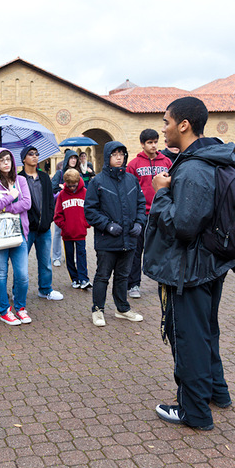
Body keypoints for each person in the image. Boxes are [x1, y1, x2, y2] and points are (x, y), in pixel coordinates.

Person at [145, 96, 235, 431]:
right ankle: (217, 392)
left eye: (166, 122)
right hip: (210, 265)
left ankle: (195, 411)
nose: (164, 129)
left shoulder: (193, 168)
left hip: (190, 270)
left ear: (183, 124)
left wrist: (160, 193)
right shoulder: (211, 159)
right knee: (205, 333)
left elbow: (184, 227)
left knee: (188, 337)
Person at [84, 142, 146, 327]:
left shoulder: (131, 180)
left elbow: (141, 204)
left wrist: (139, 223)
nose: (119, 157)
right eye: (115, 154)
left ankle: (122, 309)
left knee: (123, 276)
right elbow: (90, 210)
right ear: (107, 156)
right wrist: (107, 225)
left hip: (129, 239)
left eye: (121, 154)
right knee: (103, 275)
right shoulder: (97, 182)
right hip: (107, 240)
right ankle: (98, 310)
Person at [0, 148, 32, 325]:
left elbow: (27, 203)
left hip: (19, 234)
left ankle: (20, 307)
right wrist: (10, 197)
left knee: (22, 275)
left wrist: (4, 207)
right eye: (2, 160)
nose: (6, 163)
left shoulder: (21, 181)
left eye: (8, 159)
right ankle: (4, 310)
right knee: (1, 273)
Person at [125, 129, 173, 298]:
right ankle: (134, 285)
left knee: (162, 248)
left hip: (162, 213)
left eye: (155, 142)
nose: (153, 146)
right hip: (142, 214)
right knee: (137, 250)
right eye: (150, 142)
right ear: (142, 144)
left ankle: (163, 280)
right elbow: (129, 191)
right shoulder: (134, 164)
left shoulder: (166, 162)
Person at [19, 146, 63, 301]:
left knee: (45, 262)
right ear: (24, 158)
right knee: (21, 264)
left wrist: (48, 218)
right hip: (26, 229)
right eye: (31, 154)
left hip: (44, 228)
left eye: (37, 154)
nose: (35, 156)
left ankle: (45, 289)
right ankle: (18, 290)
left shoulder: (44, 177)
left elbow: (50, 200)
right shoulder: (19, 179)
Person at [54, 169, 91, 290]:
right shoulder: (62, 195)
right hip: (67, 233)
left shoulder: (85, 192)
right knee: (69, 257)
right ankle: (74, 279)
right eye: (69, 186)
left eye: (74, 185)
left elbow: (90, 210)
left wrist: (85, 223)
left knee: (82, 255)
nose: (71, 188)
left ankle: (83, 278)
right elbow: (57, 215)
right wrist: (64, 226)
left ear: (78, 182)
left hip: (80, 232)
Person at [50, 150, 80, 266]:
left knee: (76, 232)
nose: (73, 160)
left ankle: (75, 257)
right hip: (61, 207)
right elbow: (53, 188)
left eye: (75, 158)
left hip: (74, 207)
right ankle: (56, 257)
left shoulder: (78, 173)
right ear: (67, 159)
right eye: (71, 158)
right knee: (58, 232)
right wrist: (63, 189)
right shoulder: (60, 173)